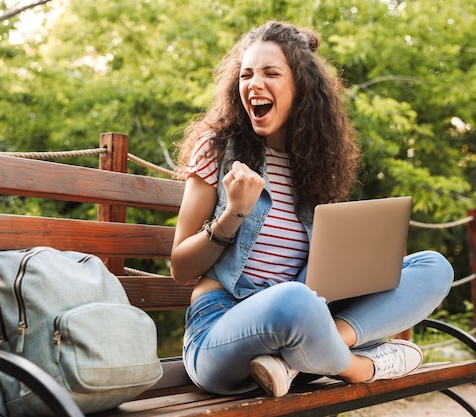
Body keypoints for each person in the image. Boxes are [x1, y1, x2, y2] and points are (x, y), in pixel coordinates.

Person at [170, 21, 454, 398]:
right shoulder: (218, 148)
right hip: (220, 328)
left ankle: (296, 359)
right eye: (246, 74)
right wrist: (233, 213)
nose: (253, 84)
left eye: (271, 73)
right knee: (295, 298)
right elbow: (180, 268)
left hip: (303, 325)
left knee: (434, 267)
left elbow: (322, 276)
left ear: (300, 86)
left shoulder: (317, 165)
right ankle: (362, 367)